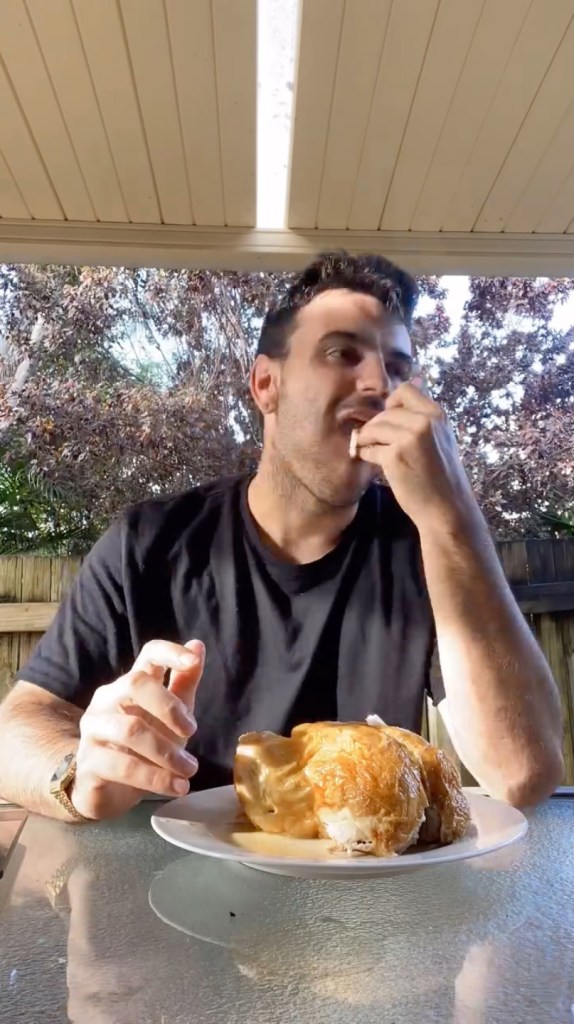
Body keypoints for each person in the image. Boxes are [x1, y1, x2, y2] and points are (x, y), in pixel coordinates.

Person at [0, 253, 563, 822]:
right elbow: (18, 726)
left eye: (398, 366)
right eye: (342, 353)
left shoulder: (430, 547)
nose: (379, 385)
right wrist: (77, 773)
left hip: (363, 893)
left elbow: (523, 774)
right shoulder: (148, 544)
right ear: (266, 384)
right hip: (174, 888)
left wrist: (453, 513)